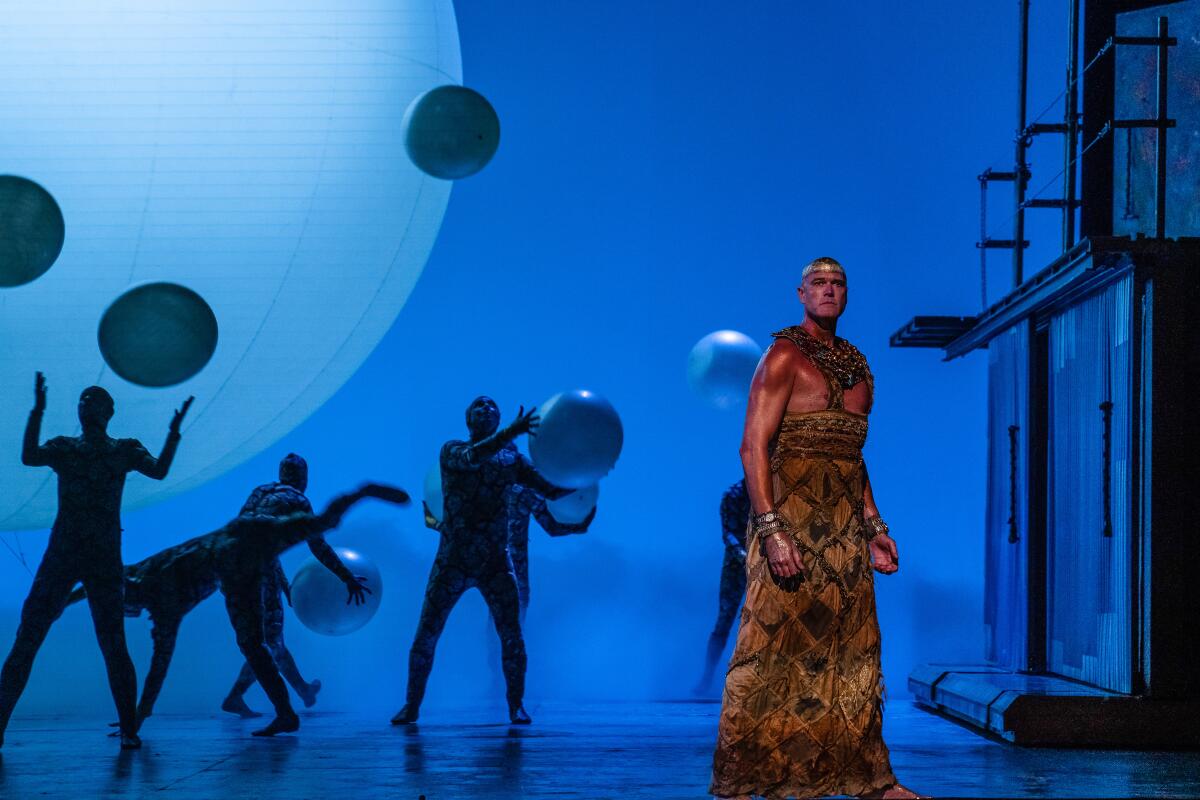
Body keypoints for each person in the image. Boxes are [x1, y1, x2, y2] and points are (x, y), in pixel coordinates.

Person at [709, 258, 919, 799]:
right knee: (770, 651)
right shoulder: (783, 355)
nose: (828, 290)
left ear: (847, 294)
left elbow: (852, 455)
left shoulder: (856, 363)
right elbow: (752, 447)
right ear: (801, 293)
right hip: (791, 528)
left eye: (837, 283)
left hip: (845, 534)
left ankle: (870, 779)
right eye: (818, 283)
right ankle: (741, 782)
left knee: (854, 653)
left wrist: (874, 524)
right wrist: (771, 530)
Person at [0, 373, 191, 750]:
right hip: (66, 553)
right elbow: (29, 456)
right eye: (83, 400)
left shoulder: (122, 449)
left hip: (97, 558)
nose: (85, 404)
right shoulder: (68, 447)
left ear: (108, 411)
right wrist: (37, 411)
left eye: (93, 399)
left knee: (112, 643)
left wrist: (173, 432)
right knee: (29, 636)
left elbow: (159, 471)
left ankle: (129, 730)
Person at [393, 397, 568, 727]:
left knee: (512, 636)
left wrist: (580, 470)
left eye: (491, 407)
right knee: (427, 633)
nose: (486, 409)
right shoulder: (452, 450)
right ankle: (411, 705)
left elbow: (550, 490)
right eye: (479, 406)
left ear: (499, 418)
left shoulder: (512, 460)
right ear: (468, 419)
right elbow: (475, 456)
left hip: (495, 562)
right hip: (453, 560)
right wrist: (511, 432)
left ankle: (516, 706)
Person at [221, 453, 370, 719]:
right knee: (270, 642)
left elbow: (250, 540)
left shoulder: (259, 493)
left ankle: (298, 691)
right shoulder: (298, 501)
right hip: (257, 576)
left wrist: (283, 584)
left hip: (232, 572)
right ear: (303, 478)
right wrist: (347, 578)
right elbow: (318, 546)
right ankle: (278, 699)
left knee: (263, 642)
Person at [695, 478, 750, 695]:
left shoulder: (771, 491)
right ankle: (707, 676)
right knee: (725, 620)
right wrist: (745, 557)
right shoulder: (734, 495)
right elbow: (728, 534)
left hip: (763, 563)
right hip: (736, 566)